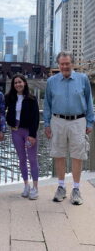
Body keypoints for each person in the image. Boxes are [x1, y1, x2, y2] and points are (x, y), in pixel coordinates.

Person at [44, 51, 94, 205]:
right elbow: (47, 104)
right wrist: (46, 124)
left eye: (67, 63)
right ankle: (61, 187)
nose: (65, 66)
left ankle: (76, 189)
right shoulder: (51, 81)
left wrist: (90, 122)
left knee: (77, 155)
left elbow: (89, 101)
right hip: (57, 121)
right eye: (62, 64)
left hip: (78, 121)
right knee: (59, 154)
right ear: (58, 65)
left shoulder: (83, 79)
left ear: (72, 64)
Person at [5, 74, 40, 200]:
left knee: (32, 159)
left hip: (28, 132)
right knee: (22, 159)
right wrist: (9, 124)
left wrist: (32, 134)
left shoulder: (31, 99)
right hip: (16, 131)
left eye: (20, 82)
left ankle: (35, 188)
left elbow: (36, 117)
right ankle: (26, 185)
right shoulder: (9, 98)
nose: (18, 84)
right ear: (13, 85)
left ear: (24, 83)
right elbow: (2, 111)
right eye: (15, 83)